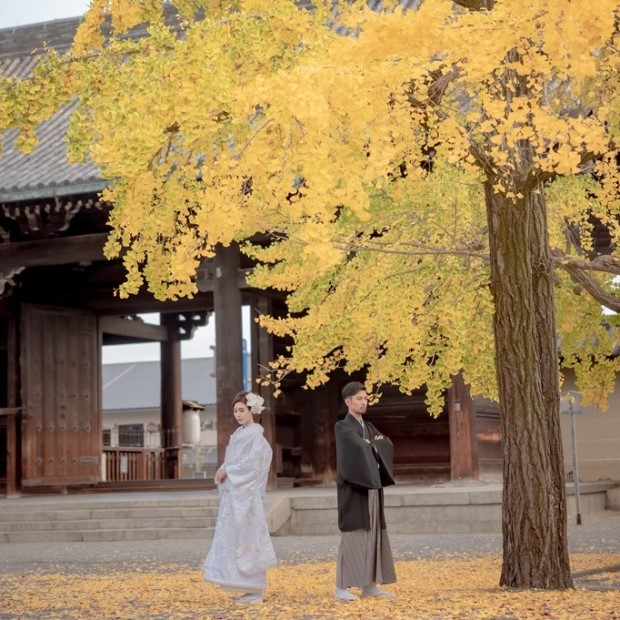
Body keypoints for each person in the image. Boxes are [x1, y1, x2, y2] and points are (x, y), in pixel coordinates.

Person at [203, 391, 277, 605]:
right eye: (235, 411)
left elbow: (252, 463)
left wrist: (229, 470)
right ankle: (246, 587)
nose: (238, 414)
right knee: (236, 538)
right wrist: (224, 469)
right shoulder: (240, 433)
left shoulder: (255, 435)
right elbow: (236, 460)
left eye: (242, 410)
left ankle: (255, 589)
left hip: (246, 496)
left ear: (251, 410)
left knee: (248, 537)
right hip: (235, 493)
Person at [334, 381, 397, 602]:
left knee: (373, 535)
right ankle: (342, 586)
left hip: (371, 488)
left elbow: (385, 443)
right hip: (353, 489)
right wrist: (371, 446)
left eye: (365, 398)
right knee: (354, 537)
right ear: (348, 401)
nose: (363, 402)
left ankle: (369, 585)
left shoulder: (368, 427)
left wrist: (370, 444)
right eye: (359, 399)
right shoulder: (343, 427)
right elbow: (357, 448)